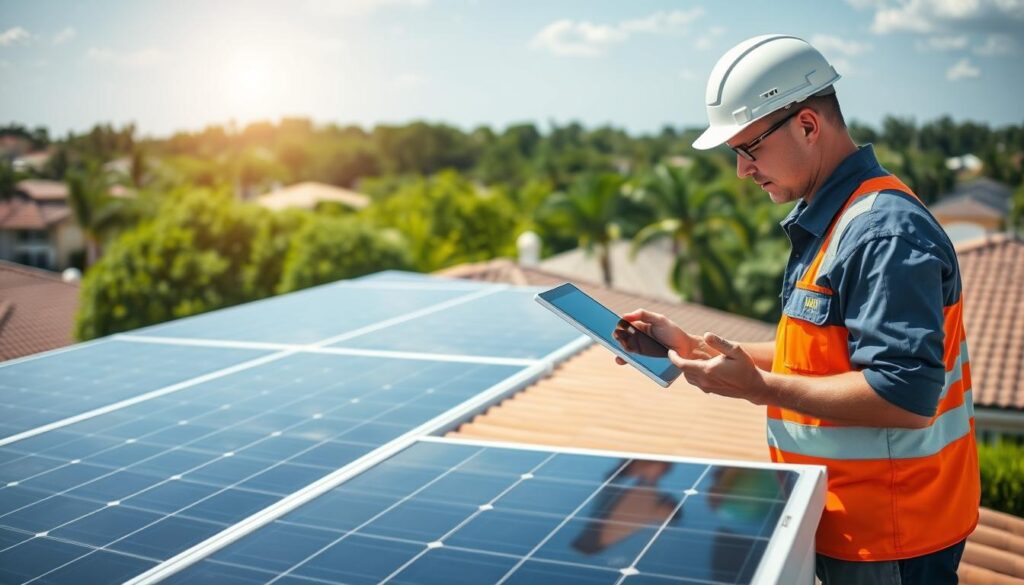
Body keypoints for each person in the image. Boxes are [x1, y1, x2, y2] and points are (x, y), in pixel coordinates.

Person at [615, 34, 979, 584]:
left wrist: (759, 389)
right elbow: (815, 359)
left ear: (808, 125)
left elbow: (905, 396)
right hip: (852, 524)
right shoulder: (835, 219)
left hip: (892, 537)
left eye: (749, 149)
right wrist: (692, 347)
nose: (741, 170)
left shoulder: (882, 233)